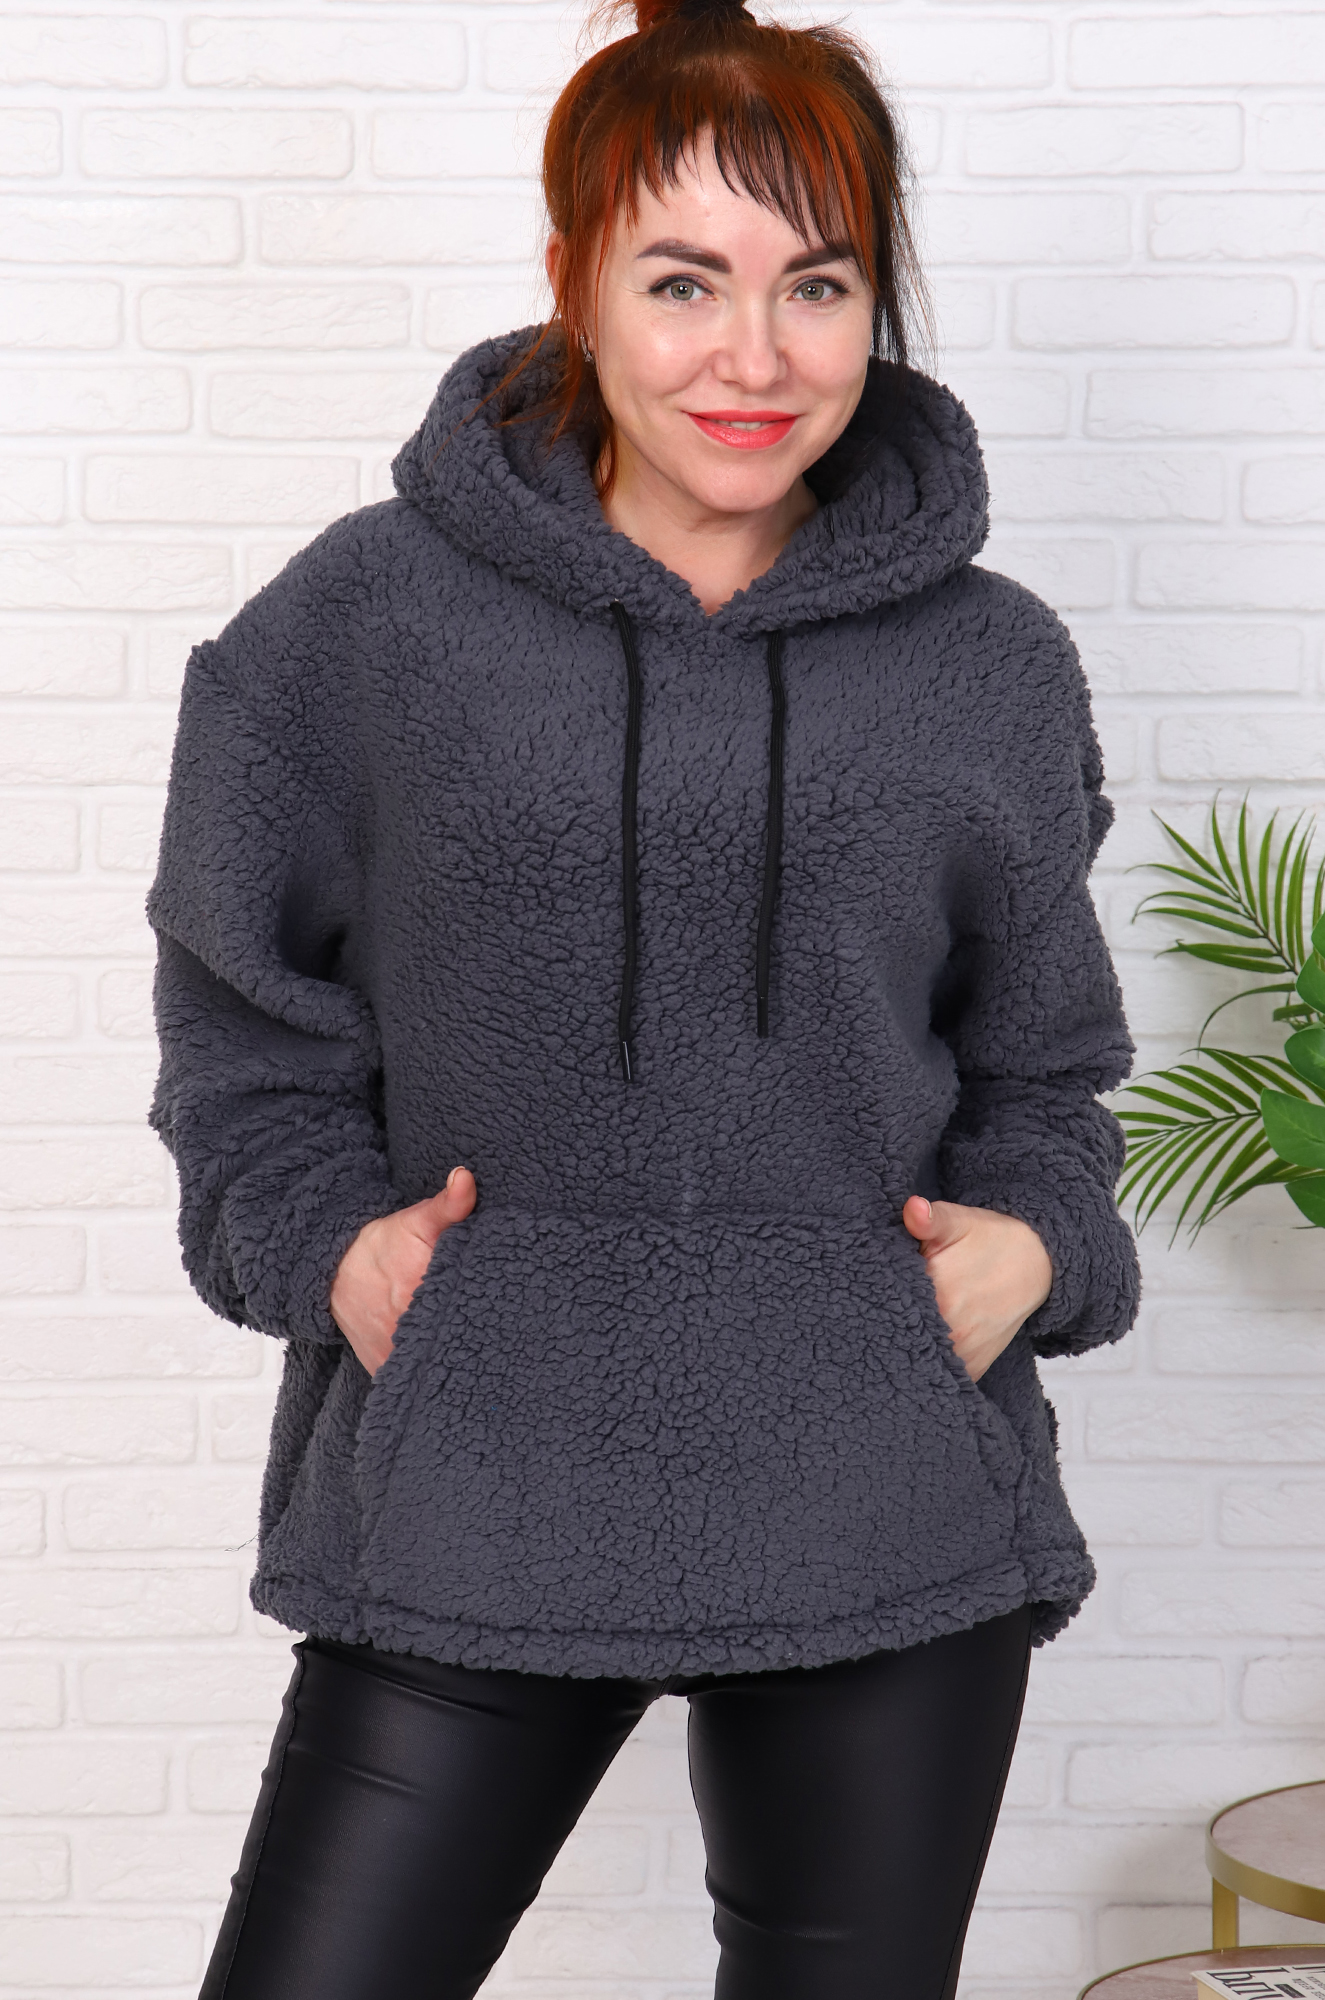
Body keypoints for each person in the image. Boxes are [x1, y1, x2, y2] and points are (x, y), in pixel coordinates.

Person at [147, 0, 1140, 1993]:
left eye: (816, 286)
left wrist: (1032, 1251)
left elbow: (1044, 1072)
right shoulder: (363, 620)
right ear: (575, 283)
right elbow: (239, 1016)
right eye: (684, 282)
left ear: (873, 301)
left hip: (877, 1496)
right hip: (477, 1482)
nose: (754, 356)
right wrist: (327, 1248)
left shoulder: (991, 666)